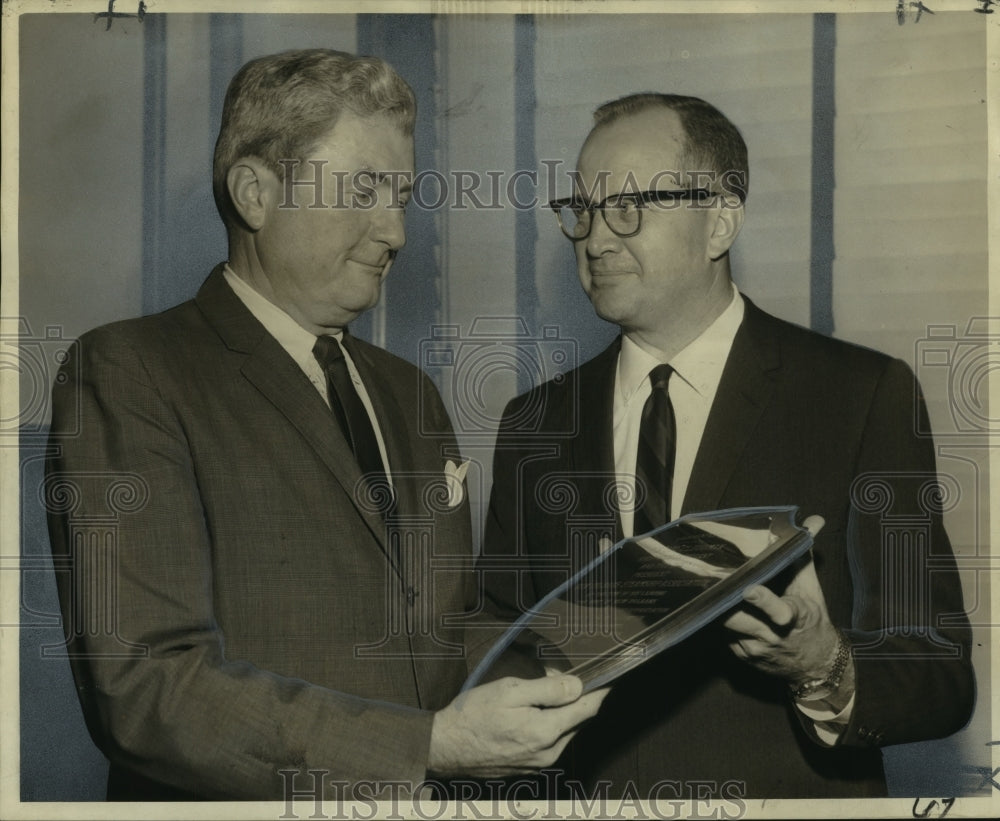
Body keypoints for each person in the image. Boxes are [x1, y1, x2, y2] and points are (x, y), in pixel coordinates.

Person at [44, 49, 605, 802]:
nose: (395, 232)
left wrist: (613, 640)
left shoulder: (408, 392)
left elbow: (443, 632)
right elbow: (148, 688)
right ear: (255, 193)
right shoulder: (131, 372)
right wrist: (426, 748)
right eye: (365, 189)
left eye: (402, 196)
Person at [481, 93, 974, 798]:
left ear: (719, 221)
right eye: (582, 210)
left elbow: (939, 673)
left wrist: (823, 662)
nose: (594, 240)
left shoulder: (860, 395)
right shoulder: (533, 423)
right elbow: (497, 651)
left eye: (628, 206)